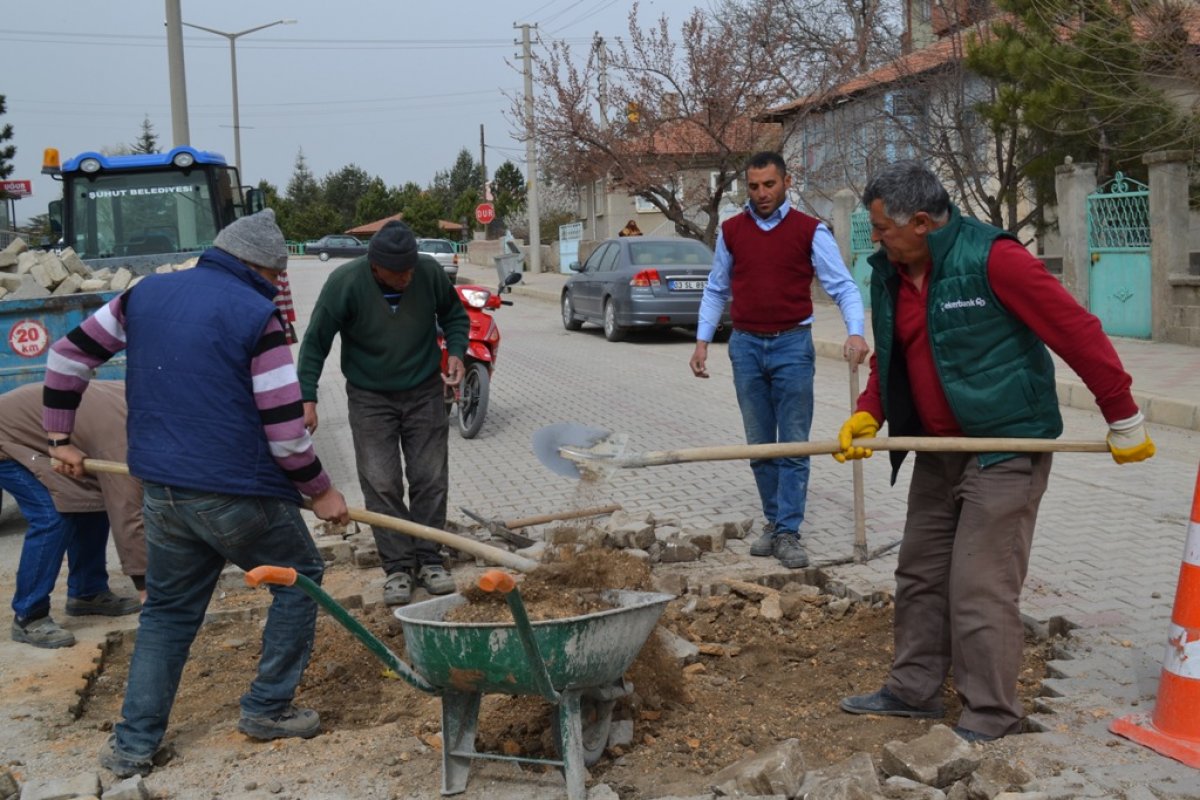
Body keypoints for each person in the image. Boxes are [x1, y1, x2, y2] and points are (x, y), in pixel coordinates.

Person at [834, 160, 1155, 743]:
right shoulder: (891, 272)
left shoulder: (994, 259)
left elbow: (1076, 330)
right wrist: (869, 411)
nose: (875, 239)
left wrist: (1123, 415)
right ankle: (912, 690)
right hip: (936, 448)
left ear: (922, 222)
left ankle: (991, 716)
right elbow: (893, 355)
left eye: (882, 228)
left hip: (1004, 448)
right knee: (920, 575)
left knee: (979, 585)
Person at [42, 208, 350, 777]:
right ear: (259, 269)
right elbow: (286, 434)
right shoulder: (256, 315)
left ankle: (133, 746)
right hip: (237, 493)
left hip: (162, 490)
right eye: (275, 276)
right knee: (300, 579)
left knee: (167, 613)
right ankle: (267, 709)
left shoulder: (143, 295)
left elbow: (66, 355)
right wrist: (322, 491)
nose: (276, 287)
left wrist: (60, 436)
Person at [689, 151, 868, 569]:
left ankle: (788, 530)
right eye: (754, 186)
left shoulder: (810, 230)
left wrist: (856, 330)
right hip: (745, 346)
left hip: (793, 345)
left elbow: (843, 286)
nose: (761, 193)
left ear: (786, 183)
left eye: (769, 184)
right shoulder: (732, 231)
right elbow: (716, 288)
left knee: (794, 444)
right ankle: (773, 521)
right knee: (759, 446)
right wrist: (701, 341)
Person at [297, 219, 468, 606]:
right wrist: (307, 397)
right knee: (381, 482)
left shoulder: (428, 273)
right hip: (370, 397)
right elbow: (315, 342)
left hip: (424, 391)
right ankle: (398, 567)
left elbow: (454, 316)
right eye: (398, 272)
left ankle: (430, 559)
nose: (407, 277)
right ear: (376, 266)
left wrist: (456, 351)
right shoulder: (345, 283)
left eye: (411, 269)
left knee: (430, 477)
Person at [1, 381, 143, 649]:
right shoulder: (123, 434)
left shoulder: (145, 405)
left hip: (46, 436)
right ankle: (28, 616)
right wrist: (143, 582)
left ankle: (87, 592)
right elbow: (128, 511)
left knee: (91, 501)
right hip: (7, 438)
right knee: (52, 517)